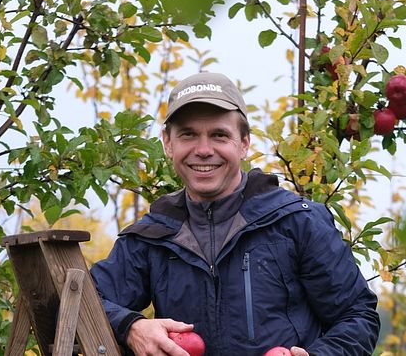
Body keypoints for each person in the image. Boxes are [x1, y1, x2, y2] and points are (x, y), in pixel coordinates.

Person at [90, 72, 380, 355]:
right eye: (188, 135)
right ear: (168, 143)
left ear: (244, 143)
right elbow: (84, 299)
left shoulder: (297, 223)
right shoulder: (152, 235)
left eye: (219, 135)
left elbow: (357, 317)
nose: (203, 150)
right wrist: (131, 327)